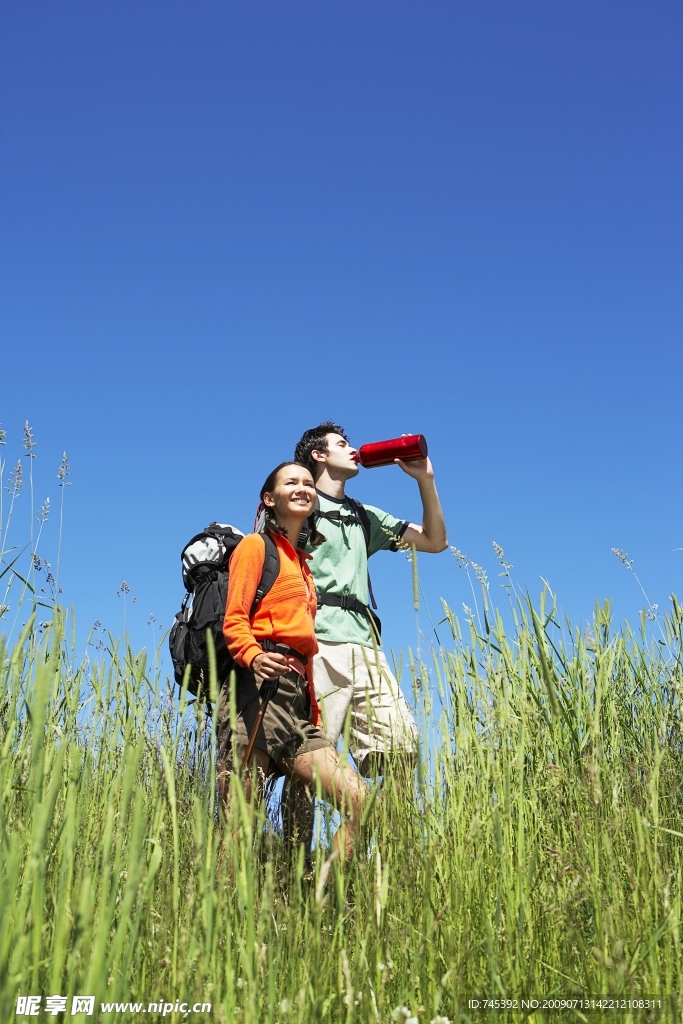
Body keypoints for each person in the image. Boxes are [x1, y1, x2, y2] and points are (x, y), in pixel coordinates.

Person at [217, 460, 367, 862]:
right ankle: (221, 918)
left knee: (361, 801)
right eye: (291, 482)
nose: (302, 487)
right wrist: (251, 656)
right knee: (240, 824)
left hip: (297, 702)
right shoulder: (255, 547)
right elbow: (234, 618)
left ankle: (319, 902)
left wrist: (313, 707)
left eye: (307, 482)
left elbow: (306, 649)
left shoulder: (304, 567)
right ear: (270, 498)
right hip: (257, 692)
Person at [291, 422, 448, 779]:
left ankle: (387, 834)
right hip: (317, 643)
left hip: (367, 648)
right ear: (319, 455)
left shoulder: (365, 515)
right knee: (312, 757)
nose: (353, 449)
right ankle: (295, 839)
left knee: (401, 750)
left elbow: (435, 541)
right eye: (341, 443)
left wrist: (425, 480)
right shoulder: (298, 505)